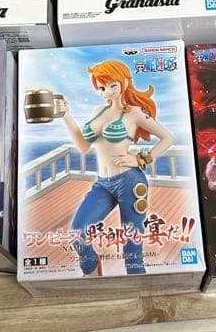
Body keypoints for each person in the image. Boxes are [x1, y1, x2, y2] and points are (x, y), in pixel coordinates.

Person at [58, 60, 174, 275]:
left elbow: (167, 138)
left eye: (113, 85)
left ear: (125, 82)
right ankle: (92, 271)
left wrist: (140, 159)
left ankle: (137, 284)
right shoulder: (97, 111)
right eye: (102, 87)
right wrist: (66, 115)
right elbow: (83, 146)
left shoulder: (135, 113)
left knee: (132, 245)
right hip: (102, 184)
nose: (108, 91)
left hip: (129, 181)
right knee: (77, 234)